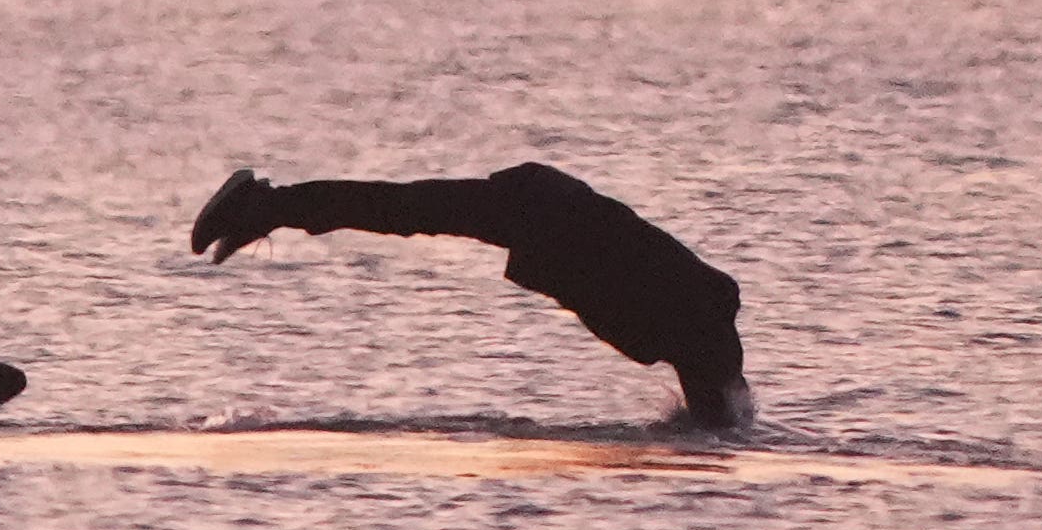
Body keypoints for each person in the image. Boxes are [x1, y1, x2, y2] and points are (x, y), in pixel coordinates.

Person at [190, 163, 752, 425]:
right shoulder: (694, 323)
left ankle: (268, 207)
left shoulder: (690, 330)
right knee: (401, 210)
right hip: (550, 216)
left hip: (550, 215)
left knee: (401, 211)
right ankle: (264, 204)